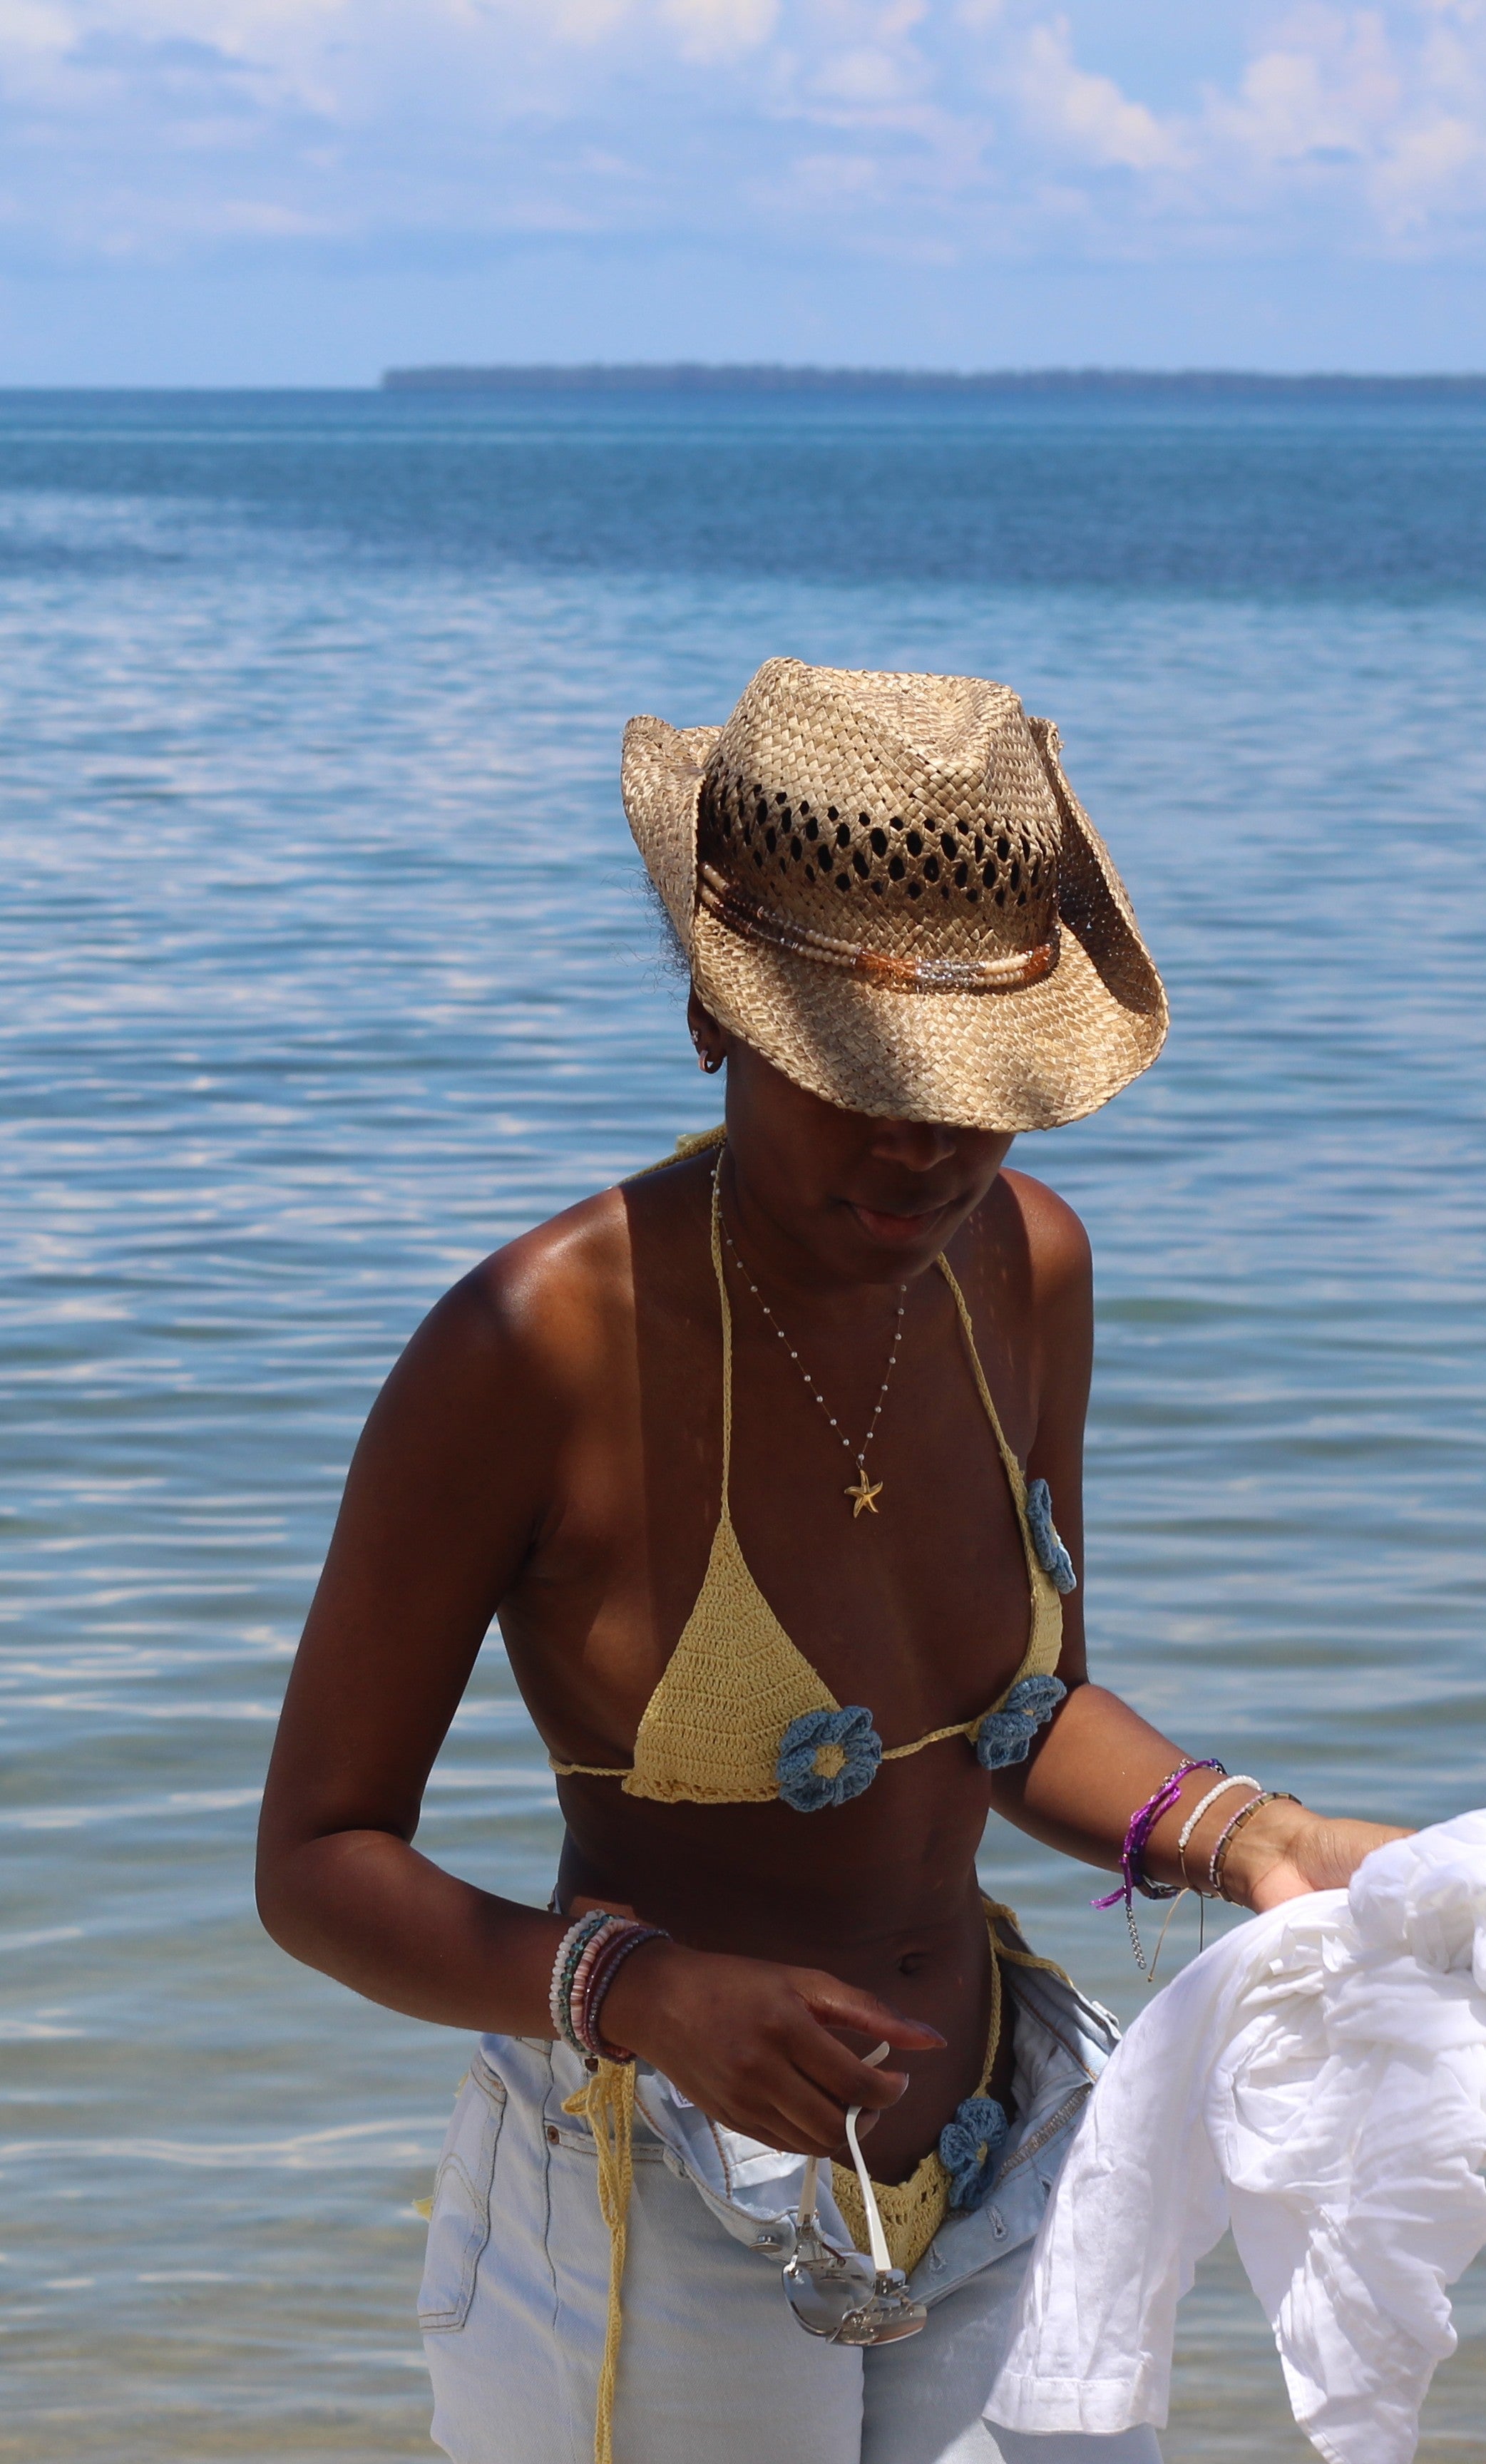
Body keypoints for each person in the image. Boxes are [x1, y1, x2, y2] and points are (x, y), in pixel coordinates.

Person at [256, 659, 1406, 2464]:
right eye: (854, 1070)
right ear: (713, 1019)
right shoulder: (533, 1346)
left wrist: (1252, 1836)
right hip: (657, 2207)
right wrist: (633, 1987)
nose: (925, 1138)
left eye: (979, 1086)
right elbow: (316, 1862)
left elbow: (1015, 1718)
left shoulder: (1026, 1266)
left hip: (1006, 2153)